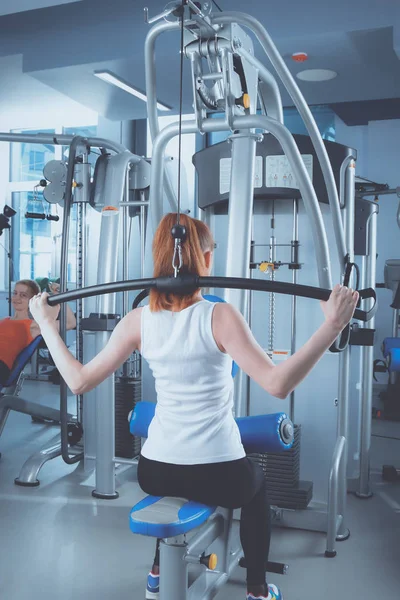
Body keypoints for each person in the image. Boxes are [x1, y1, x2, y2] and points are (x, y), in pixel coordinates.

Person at [29, 213, 359, 600]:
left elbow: (79, 381)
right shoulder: (220, 316)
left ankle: (157, 571)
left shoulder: (137, 321)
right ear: (205, 259)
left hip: (153, 471)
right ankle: (256, 590)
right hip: (221, 474)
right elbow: (278, 383)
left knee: (176, 493)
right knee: (255, 483)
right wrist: (332, 326)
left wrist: (46, 324)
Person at [0, 279, 76, 385]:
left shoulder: (34, 325)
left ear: (32, 300)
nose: (16, 298)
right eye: (15, 293)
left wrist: (59, 296)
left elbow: (70, 323)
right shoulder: (4, 319)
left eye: (23, 295)